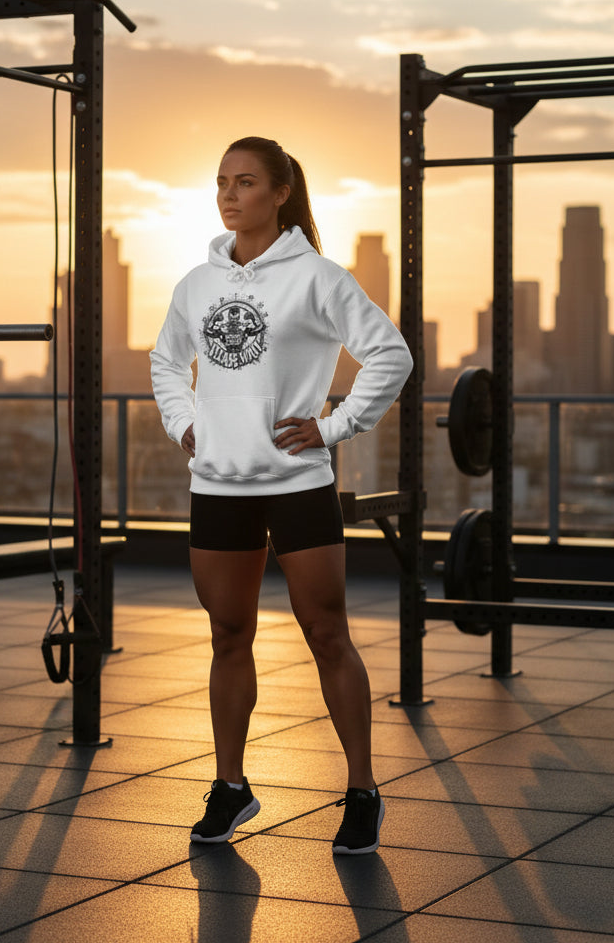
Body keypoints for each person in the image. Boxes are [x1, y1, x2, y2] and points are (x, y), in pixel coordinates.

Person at [149, 135, 412, 855]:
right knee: (227, 637)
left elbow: (392, 352)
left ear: (281, 192)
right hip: (219, 486)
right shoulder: (196, 285)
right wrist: (185, 424)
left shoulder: (319, 278)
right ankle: (231, 788)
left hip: (297, 483)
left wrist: (335, 427)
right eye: (221, 183)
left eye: (245, 182)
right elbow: (166, 360)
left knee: (327, 635)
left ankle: (361, 791)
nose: (230, 196)